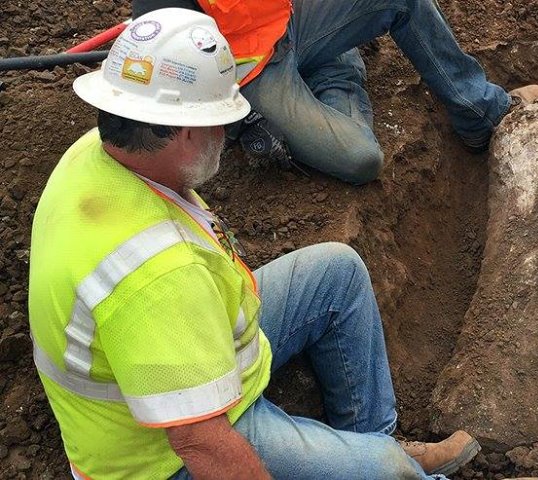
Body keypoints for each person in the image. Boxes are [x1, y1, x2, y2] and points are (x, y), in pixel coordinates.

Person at [27, 10, 503, 479]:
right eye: (221, 118)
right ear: (183, 129)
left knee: (339, 272)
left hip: (198, 344)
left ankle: (370, 436)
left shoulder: (100, 151)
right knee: (388, 470)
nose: (228, 133)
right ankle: (391, 464)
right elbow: (203, 444)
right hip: (163, 454)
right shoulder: (155, 275)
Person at [132, 0, 538, 185]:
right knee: (360, 158)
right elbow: (164, 52)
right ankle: (337, 71)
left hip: (289, 22)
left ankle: (479, 113)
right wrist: (241, 122)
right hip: (248, 72)